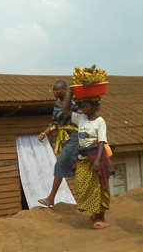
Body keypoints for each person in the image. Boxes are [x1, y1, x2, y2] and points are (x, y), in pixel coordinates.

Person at [63, 89, 114, 229]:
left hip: (96, 156)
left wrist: (97, 160)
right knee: (80, 184)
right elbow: (66, 110)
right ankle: (95, 213)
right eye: (82, 107)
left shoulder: (100, 121)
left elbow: (102, 141)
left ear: (95, 107)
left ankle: (101, 218)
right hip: (83, 157)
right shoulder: (80, 118)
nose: (84, 109)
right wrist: (71, 94)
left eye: (87, 106)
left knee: (100, 186)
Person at [38, 80, 80, 208]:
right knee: (67, 167)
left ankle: (51, 198)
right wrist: (44, 133)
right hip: (64, 139)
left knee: (60, 164)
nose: (55, 92)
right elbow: (54, 123)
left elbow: (80, 119)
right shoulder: (56, 104)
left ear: (65, 90)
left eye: (57, 90)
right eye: (53, 90)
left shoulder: (71, 104)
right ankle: (51, 198)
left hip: (73, 138)